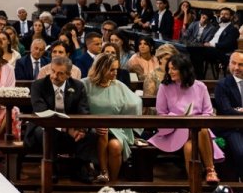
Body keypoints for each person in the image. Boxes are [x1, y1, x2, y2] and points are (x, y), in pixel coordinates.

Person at [148, 54, 223, 184]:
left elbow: (208, 113)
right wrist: (179, 117)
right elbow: (161, 114)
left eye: (174, 69)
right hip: (174, 129)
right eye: (169, 69)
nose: (170, 72)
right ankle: (210, 171)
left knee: (191, 146)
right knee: (200, 130)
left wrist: (194, 120)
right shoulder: (164, 87)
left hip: (198, 129)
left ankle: (195, 185)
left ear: (184, 70)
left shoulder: (200, 87)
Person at [24, 56, 98, 182]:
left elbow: (83, 111)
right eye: (53, 71)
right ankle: (51, 168)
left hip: (71, 127)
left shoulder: (78, 86)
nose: (54, 76)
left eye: (60, 73)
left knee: (91, 134)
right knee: (48, 132)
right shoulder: (38, 85)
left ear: (68, 74)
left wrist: (81, 129)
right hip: (43, 126)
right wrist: (67, 129)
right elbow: (42, 111)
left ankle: (79, 168)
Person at [82, 53, 143, 183]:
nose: (115, 73)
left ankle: (112, 184)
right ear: (101, 68)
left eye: (116, 69)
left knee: (115, 146)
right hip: (91, 128)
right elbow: (79, 107)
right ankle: (104, 172)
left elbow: (136, 102)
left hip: (116, 128)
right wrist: (90, 125)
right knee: (102, 128)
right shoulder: (85, 84)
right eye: (111, 70)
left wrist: (125, 119)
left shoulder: (118, 85)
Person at [213, 50, 243, 181]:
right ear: (229, 64)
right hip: (231, 128)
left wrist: (239, 110)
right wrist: (236, 111)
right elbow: (226, 111)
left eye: (241, 64)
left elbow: (233, 110)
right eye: (233, 63)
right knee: (241, 152)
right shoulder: (222, 85)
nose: (236, 68)